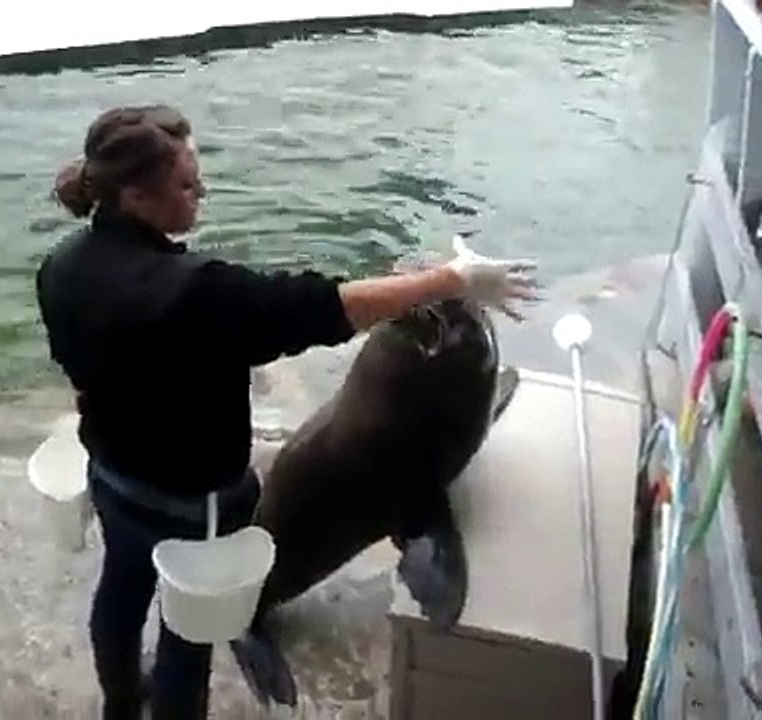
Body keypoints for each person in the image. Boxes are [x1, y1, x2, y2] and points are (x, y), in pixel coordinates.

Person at [34, 104, 537, 720]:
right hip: (197, 508)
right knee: (188, 635)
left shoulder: (61, 266)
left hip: (112, 477)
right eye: (188, 185)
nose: (202, 193)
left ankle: (119, 701)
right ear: (136, 195)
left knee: (122, 586)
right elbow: (322, 307)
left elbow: (79, 378)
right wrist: (449, 280)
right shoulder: (196, 290)